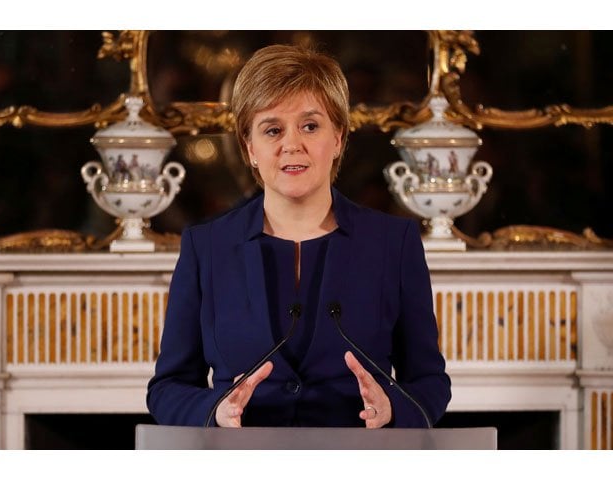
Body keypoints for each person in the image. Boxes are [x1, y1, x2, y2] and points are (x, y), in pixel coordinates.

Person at [147, 44, 451, 429]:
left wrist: (393, 408)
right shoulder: (206, 247)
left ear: (338, 137)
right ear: (249, 147)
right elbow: (168, 388)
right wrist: (214, 411)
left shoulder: (395, 243)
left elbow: (430, 383)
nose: (292, 144)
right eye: (272, 129)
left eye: (310, 126)